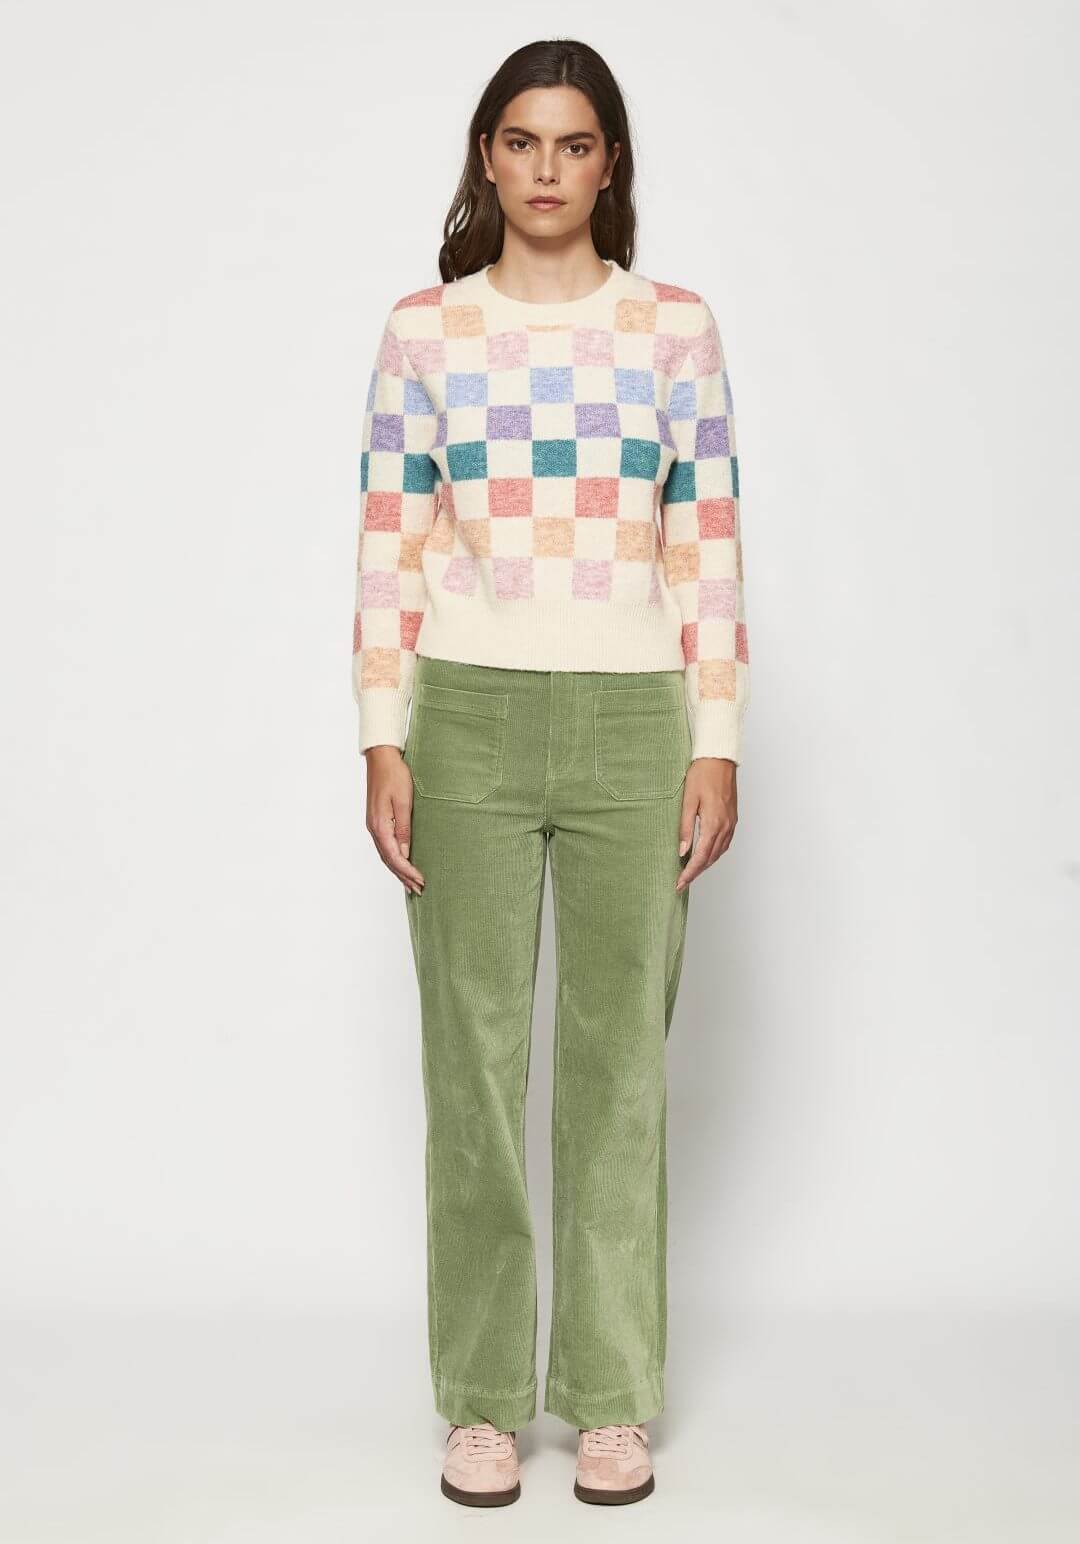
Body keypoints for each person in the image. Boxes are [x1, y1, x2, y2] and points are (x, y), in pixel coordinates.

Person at [351, 37, 749, 1508]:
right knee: (469, 1064)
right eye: (521, 142)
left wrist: (717, 741)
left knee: (616, 1067)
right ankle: (479, 1398)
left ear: (609, 163)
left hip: (638, 720)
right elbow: (390, 539)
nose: (545, 170)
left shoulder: (674, 329)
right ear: (487, 156)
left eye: (573, 145)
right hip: (463, 715)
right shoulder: (426, 332)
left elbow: (708, 542)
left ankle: (609, 1394)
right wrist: (381, 732)